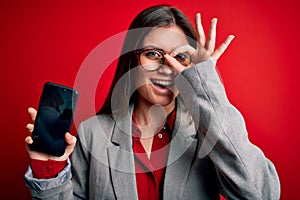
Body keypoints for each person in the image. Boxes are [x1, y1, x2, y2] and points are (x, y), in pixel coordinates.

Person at [24, 4, 280, 199]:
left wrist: (204, 81)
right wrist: (50, 169)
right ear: (133, 59)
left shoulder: (208, 134)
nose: (167, 68)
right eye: (154, 54)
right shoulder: (92, 133)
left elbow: (261, 194)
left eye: (181, 57)